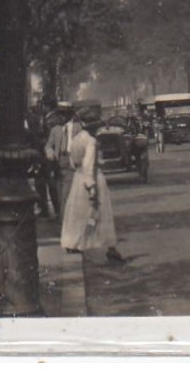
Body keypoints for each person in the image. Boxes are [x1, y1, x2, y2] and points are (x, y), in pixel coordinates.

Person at [59, 110, 124, 264]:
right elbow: (89, 165)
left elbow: (73, 162)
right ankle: (110, 248)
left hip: (78, 179)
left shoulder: (76, 139)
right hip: (92, 178)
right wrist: (92, 187)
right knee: (101, 213)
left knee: (77, 214)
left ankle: (72, 242)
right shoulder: (91, 141)